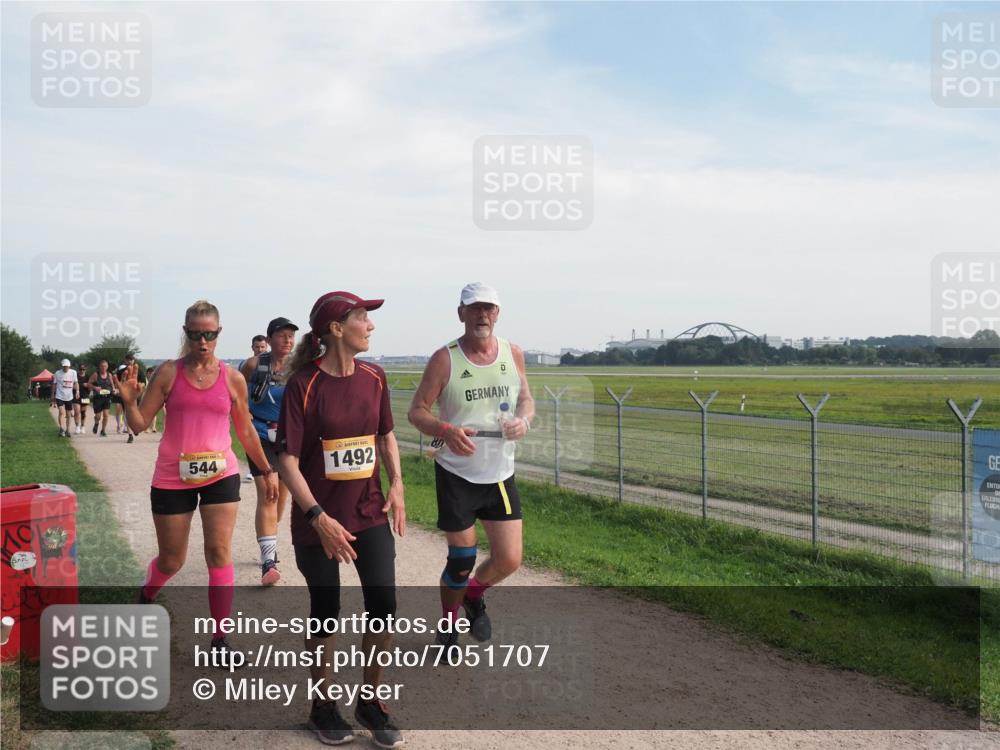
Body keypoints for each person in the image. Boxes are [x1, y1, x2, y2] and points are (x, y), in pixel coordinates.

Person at [277, 291, 405, 748]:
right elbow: (287, 461)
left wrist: (397, 484)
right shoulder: (303, 385)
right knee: (326, 612)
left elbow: (385, 435)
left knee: (384, 606)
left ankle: (369, 700)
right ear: (335, 329)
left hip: (368, 510)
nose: (369, 327)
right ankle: (322, 705)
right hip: (319, 517)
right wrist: (317, 517)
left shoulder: (374, 376)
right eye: (362, 319)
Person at [118, 300, 278, 665]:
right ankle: (146, 595)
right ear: (186, 333)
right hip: (173, 477)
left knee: (218, 552)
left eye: (209, 334)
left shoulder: (232, 378)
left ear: (218, 334)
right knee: (173, 560)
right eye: (195, 334)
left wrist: (267, 470)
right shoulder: (168, 374)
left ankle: (220, 640)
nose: (202, 341)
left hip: (220, 475)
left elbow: (246, 432)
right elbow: (139, 424)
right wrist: (128, 401)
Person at [408, 282, 534, 648]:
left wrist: (524, 421)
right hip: (457, 473)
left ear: (497, 314)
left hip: (499, 474)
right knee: (461, 559)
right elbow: (417, 411)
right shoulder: (445, 358)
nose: (482, 315)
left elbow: (526, 400)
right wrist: (445, 430)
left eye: (489, 309)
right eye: (474, 308)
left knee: (509, 559)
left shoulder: (513, 353)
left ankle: (473, 596)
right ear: (461, 313)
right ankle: (448, 626)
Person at [240, 317, 298, 586]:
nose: (288, 340)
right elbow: (238, 400)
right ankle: (268, 563)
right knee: (268, 492)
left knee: (283, 495)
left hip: (288, 436)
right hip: (260, 434)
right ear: (270, 338)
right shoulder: (253, 365)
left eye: (291, 336)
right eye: (282, 335)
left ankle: (269, 543)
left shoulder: (298, 367)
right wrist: (245, 424)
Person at [241, 336, 269, 482]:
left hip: (267, 412)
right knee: (251, 440)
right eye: (257, 347)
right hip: (251, 410)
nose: (260, 350)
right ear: (252, 347)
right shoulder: (246, 365)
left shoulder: (271, 365)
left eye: (263, 347)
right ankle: (253, 469)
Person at [115, 354, 146, 443]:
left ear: (134, 360)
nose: (129, 361)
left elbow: (144, 382)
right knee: (127, 414)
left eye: (131, 360)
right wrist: (119, 388)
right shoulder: (121, 371)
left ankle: (135, 428)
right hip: (126, 395)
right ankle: (130, 435)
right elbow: (117, 382)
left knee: (136, 413)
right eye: (128, 360)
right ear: (125, 361)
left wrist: (140, 386)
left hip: (136, 394)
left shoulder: (139, 371)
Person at [52, 359, 80, 437]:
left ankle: (67, 430)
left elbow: (76, 383)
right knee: (61, 412)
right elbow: (54, 384)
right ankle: (61, 429)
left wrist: (77, 391)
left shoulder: (73, 372)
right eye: (64, 366)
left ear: (69, 366)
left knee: (68, 414)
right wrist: (52, 395)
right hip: (59, 395)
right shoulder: (57, 373)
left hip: (69, 396)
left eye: (67, 366)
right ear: (62, 366)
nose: (65, 368)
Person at [88, 360, 115, 436]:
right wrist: (95, 387)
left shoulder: (109, 375)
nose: (103, 368)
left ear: (107, 367)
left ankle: (103, 430)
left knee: (106, 415)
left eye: (105, 366)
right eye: (102, 366)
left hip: (107, 397)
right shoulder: (95, 375)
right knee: (98, 416)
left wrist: (113, 389)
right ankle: (96, 423)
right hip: (98, 398)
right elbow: (88, 384)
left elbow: (112, 384)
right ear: (100, 367)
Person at [74, 363, 90, 434]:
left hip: (85, 396)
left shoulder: (88, 377)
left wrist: (88, 385)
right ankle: (77, 426)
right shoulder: (75, 376)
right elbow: (72, 384)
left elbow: (91, 386)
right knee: (77, 411)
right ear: (78, 369)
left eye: (83, 369)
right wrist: (74, 387)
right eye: (80, 369)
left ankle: (82, 426)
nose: (82, 371)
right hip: (76, 396)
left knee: (83, 412)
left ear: (86, 370)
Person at [143, 367, 159, 433]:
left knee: (154, 413)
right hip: (145, 399)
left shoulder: (155, 381)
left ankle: (153, 427)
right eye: (150, 373)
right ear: (147, 373)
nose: (151, 375)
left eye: (152, 373)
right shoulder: (144, 380)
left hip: (153, 398)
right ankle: (146, 428)